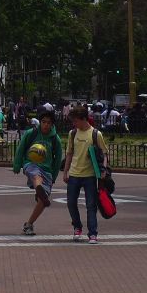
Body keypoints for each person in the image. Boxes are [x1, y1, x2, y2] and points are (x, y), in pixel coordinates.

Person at [13, 109, 64, 236]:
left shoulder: (55, 139)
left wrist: (54, 176)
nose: (46, 125)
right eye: (43, 122)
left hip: (47, 170)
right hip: (30, 164)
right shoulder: (32, 133)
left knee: (43, 201)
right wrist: (17, 165)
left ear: (52, 124)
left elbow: (57, 159)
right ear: (40, 122)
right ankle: (39, 188)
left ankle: (29, 224)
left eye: (49, 123)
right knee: (36, 175)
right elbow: (21, 149)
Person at [62, 105, 108, 244]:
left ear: (83, 119)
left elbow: (105, 153)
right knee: (70, 203)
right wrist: (65, 171)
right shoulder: (73, 133)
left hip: (89, 175)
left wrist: (103, 170)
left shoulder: (95, 134)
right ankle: (77, 226)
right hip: (75, 174)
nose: (74, 124)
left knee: (91, 205)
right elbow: (69, 153)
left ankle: (92, 233)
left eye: (75, 121)